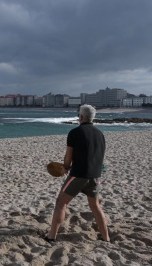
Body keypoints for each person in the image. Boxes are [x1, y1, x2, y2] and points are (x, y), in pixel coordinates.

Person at [44, 104, 110, 243]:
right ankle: (106, 238)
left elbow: (69, 156)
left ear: (81, 117)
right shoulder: (100, 134)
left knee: (61, 203)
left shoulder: (75, 132)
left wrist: (66, 167)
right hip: (95, 176)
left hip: (78, 175)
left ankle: (51, 236)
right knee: (95, 206)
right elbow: (96, 156)